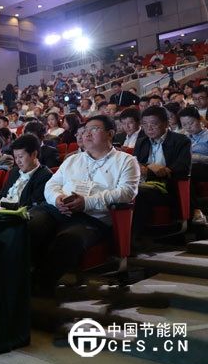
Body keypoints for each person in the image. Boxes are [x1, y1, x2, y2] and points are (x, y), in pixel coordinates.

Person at [27, 115, 140, 295]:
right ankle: (18, 277)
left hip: (93, 217)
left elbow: (126, 193)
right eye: (85, 130)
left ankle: (39, 287)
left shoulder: (126, 161)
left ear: (110, 134)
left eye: (94, 129)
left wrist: (87, 203)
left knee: (69, 240)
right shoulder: (73, 159)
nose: (87, 134)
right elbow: (51, 185)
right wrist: (57, 198)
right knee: (28, 225)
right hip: (57, 210)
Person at [132, 106, 192, 234]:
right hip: (143, 183)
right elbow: (135, 164)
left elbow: (182, 167)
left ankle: (135, 237)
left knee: (137, 193)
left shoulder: (181, 140)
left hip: (167, 188)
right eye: (145, 124)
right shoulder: (141, 142)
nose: (149, 128)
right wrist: (150, 166)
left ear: (166, 123)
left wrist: (150, 170)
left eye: (153, 124)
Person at [0, 134, 52, 208]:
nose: (18, 161)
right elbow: (1, 195)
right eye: (15, 157)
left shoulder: (45, 176)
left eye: (20, 157)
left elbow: (32, 205)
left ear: (34, 154)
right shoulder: (14, 171)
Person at [179, 106, 208, 225]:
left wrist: (196, 157)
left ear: (200, 119)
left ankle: (196, 210)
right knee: (181, 171)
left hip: (205, 167)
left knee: (187, 170)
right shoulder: (183, 137)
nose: (188, 127)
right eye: (184, 124)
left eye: (191, 123)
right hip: (191, 168)